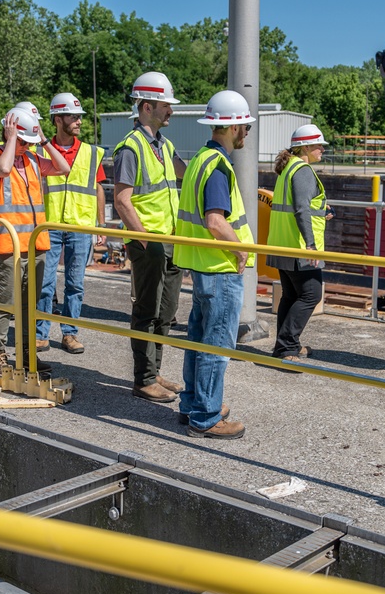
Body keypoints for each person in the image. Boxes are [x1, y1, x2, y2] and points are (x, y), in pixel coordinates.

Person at [173, 90, 256, 439]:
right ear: (233, 127)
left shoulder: (199, 161)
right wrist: (240, 251)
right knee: (216, 345)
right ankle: (206, 416)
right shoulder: (219, 167)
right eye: (245, 127)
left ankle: (193, 403)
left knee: (198, 338)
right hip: (220, 269)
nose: (247, 133)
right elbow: (215, 221)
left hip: (202, 266)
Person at [0, 105, 71, 377]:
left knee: (31, 306)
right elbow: (3, 170)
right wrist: (10, 141)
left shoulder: (31, 158)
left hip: (35, 245)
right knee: (6, 303)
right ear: (9, 134)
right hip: (7, 248)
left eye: (27, 143)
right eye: (22, 141)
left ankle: (28, 355)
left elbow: (63, 167)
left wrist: (42, 140)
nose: (24, 147)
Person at [112, 72, 188, 403]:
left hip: (170, 241)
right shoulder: (131, 148)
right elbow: (121, 200)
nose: (170, 111)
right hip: (150, 244)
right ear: (146, 107)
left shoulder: (164, 145)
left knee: (166, 311)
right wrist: (143, 239)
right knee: (147, 310)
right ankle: (143, 379)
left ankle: (154, 371)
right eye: (165, 105)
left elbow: (186, 174)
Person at [35, 92, 106, 355]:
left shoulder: (91, 152)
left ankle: (70, 333)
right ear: (57, 119)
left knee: (75, 284)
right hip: (48, 225)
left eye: (79, 117)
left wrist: (101, 226)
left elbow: (98, 188)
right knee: (45, 283)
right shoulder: (39, 150)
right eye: (73, 116)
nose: (78, 121)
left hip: (81, 227)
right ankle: (41, 334)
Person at [266, 124, 334, 362]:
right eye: (318, 145)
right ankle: (287, 347)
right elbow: (301, 209)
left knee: (291, 296)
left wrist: (322, 211)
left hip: (282, 243)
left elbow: (302, 206)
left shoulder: (288, 168)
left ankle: (282, 346)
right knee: (311, 295)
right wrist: (311, 245)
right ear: (305, 146)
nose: (322, 150)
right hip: (298, 247)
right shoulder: (303, 170)